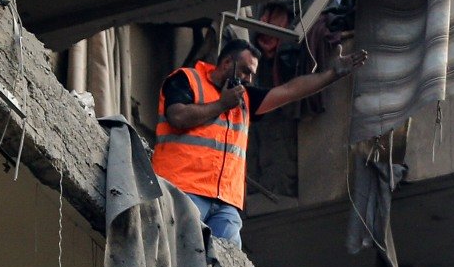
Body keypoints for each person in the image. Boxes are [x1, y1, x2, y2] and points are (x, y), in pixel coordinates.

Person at [155, 36, 365, 245]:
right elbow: (178, 117)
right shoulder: (186, 79)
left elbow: (289, 91)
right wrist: (221, 105)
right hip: (183, 190)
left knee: (227, 266)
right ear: (227, 63)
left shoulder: (244, 98)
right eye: (246, 70)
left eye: (253, 74)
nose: (249, 79)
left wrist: (332, 74)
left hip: (226, 202)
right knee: (181, 251)